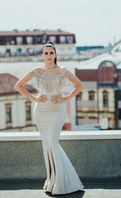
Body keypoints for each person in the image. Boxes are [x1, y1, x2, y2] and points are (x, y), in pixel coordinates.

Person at [14, 41, 84, 195]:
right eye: (46, 53)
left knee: (53, 142)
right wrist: (34, 98)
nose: (49, 55)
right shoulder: (36, 70)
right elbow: (18, 86)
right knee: (47, 145)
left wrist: (65, 99)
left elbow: (79, 85)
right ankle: (53, 182)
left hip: (57, 110)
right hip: (41, 111)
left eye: (51, 52)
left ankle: (63, 183)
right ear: (42, 55)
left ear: (56, 55)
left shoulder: (63, 70)